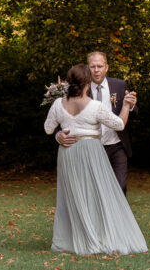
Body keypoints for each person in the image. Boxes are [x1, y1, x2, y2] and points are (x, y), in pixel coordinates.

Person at [42, 62, 147, 256]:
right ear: (87, 83)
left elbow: (48, 128)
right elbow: (118, 124)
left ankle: (77, 239)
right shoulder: (95, 106)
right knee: (97, 193)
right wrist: (125, 106)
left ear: (68, 82)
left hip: (68, 152)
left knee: (74, 195)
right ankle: (98, 235)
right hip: (91, 151)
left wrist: (60, 134)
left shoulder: (58, 104)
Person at [53, 48, 135, 191]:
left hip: (116, 145)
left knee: (120, 187)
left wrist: (131, 106)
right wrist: (58, 134)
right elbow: (61, 115)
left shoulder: (119, 85)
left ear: (106, 68)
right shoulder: (77, 89)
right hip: (89, 148)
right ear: (87, 68)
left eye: (100, 66)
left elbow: (132, 112)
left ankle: (115, 214)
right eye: (93, 66)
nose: (96, 70)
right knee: (93, 190)